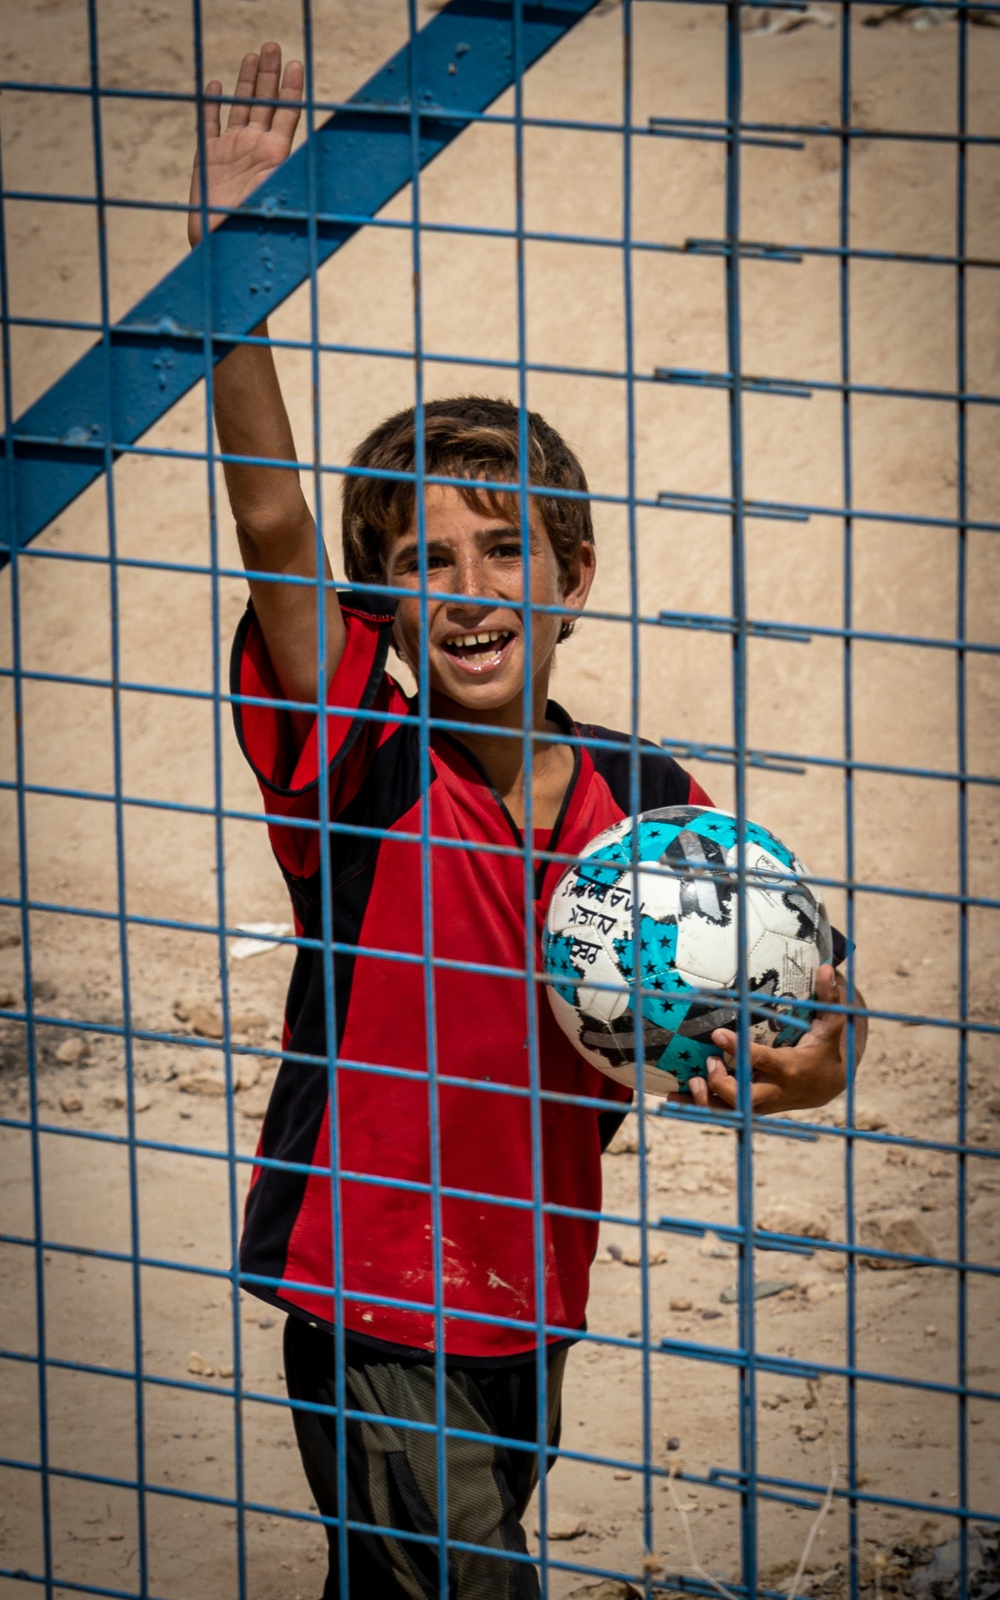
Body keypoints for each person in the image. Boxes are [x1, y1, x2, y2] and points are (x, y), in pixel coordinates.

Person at [189, 44, 867, 1600]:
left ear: (571, 583)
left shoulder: (648, 799)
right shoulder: (357, 749)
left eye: (507, 552)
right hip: (366, 1283)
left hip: (532, 1286)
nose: (472, 589)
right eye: (425, 560)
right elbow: (276, 520)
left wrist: (828, 1049)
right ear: (382, 606)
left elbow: (792, 977)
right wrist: (234, 266)